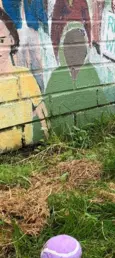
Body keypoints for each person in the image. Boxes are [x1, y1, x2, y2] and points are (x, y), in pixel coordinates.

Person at [0, 8, 48, 152]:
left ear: (12, 39)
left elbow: (41, 110)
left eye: (1, 40)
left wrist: (47, 135)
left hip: (26, 150)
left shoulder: (24, 76)